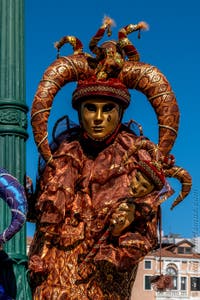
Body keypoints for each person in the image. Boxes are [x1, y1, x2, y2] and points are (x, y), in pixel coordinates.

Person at [27, 17, 192, 299]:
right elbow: (41, 213)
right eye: (91, 108)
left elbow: (148, 228)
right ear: (80, 111)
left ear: (120, 112)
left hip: (103, 285)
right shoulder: (64, 153)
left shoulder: (136, 157)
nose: (99, 118)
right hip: (54, 280)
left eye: (108, 109)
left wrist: (133, 216)